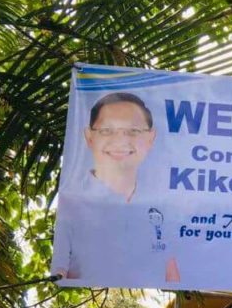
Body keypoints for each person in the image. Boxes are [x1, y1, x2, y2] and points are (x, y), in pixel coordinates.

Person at [52, 92, 180, 288]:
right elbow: (59, 272)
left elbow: (172, 275)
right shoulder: (72, 203)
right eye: (106, 131)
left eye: (133, 131)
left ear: (151, 137)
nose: (120, 140)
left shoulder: (161, 207)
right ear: (89, 136)